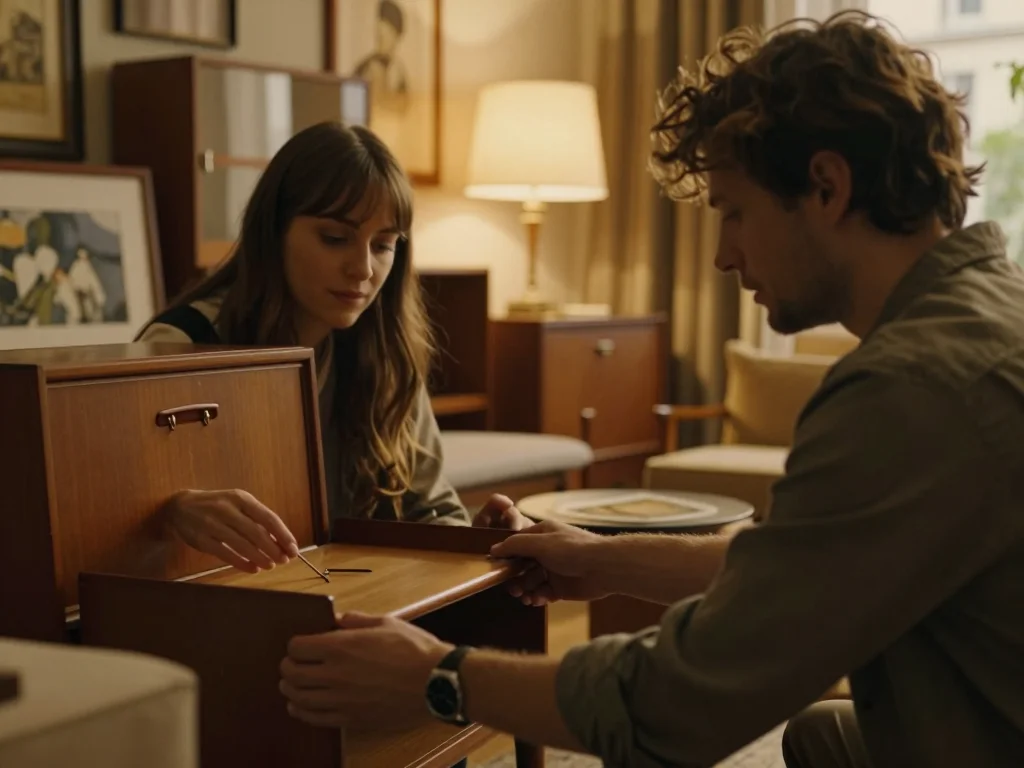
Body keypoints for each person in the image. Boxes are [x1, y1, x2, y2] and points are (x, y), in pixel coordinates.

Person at [274, 11, 1024, 768]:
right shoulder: (992, 311)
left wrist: (435, 677)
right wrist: (600, 560)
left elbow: (678, 704)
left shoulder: (912, 391)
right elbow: (795, 565)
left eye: (735, 212)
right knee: (821, 737)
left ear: (826, 186)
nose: (726, 254)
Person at [137, 121, 529, 574]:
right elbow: (102, 513)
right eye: (335, 238)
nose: (362, 269)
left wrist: (478, 537)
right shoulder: (179, 344)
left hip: (350, 600)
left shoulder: (387, 355)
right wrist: (174, 509)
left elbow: (429, 509)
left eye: (383, 245)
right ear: (274, 231)